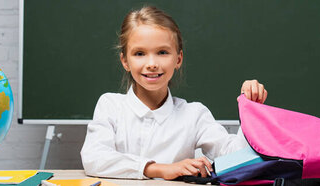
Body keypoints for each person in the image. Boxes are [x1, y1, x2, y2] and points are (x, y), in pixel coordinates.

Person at [80, 6, 267, 180]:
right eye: (139, 53)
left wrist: (252, 109)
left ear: (178, 59)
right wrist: (163, 169)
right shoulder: (111, 106)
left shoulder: (193, 115)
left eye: (162, 52)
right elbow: (94, 157)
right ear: (125, 61)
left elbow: (236, 157)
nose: (152, 63)